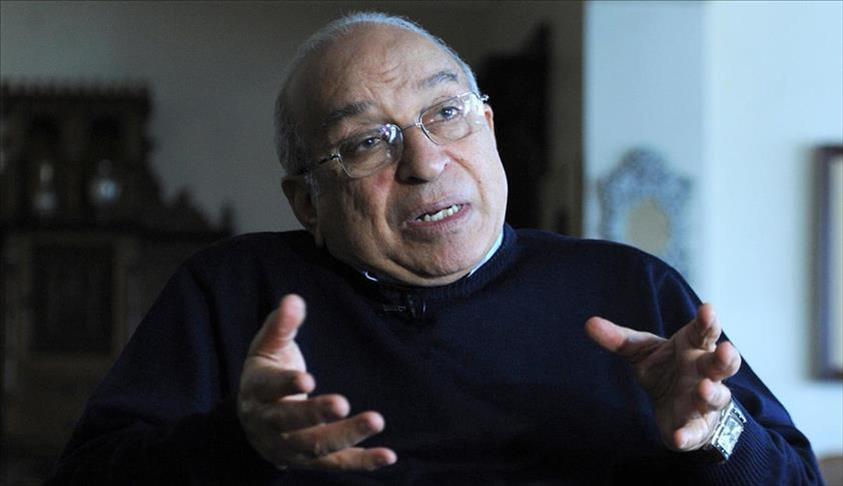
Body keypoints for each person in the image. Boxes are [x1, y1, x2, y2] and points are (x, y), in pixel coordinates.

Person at [50, 12, 823, 485]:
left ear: (488, 128)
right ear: (306, 202)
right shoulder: (231, 292)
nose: (424, 162)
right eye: (366, 142)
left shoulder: (629, 287)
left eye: (445, 113)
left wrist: (713, 434)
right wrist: (237, 443)